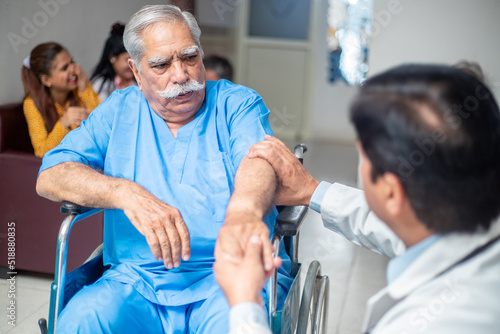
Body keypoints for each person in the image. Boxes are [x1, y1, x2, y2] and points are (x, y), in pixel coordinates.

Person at [36, 5, 291, 333]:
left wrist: (244, 210)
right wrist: (124, 192)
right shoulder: (118, 111)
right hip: (135, 279)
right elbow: (50, 175)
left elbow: (261, 161)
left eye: (189, 57)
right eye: (161, 64)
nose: (181, 75)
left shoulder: (236, 104)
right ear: (137, 72)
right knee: (82, 320)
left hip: (229, 275)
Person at [215, 64, 500, 333]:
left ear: (390, 191)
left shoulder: (432, 322)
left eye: (363, 157)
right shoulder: (468, 235)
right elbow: (395, 223)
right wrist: (313, 191)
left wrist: (245, 306)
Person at [21, 42, 101, 157]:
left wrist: (85, 90)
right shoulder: (31, 104)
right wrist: (64, 123)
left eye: (72, 62)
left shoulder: (80, 89)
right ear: (46, 80)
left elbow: (103, 125)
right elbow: (41, 151)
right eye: (65, 68)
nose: (73, 69)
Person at [90, 22, 136, 101]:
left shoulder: (141, 80)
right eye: (128, 59)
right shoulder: (101, 85)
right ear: (113, 58)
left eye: (136, 58)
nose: (133, 64)